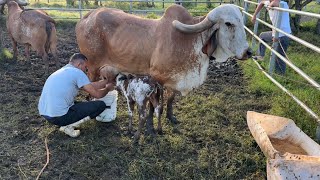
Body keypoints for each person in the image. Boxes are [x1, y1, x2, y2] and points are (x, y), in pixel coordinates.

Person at [38, 53, 115, 137]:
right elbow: (97, 95)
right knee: (100, 105)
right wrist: (107, 89)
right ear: (79, 64)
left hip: (46, 114)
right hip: (59, 117)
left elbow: (90, 85)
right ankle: (68, 126)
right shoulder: (78, 73)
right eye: (85, 67)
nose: (86, 70)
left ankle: (65, 122)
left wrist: (105, 82)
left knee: (82, 104)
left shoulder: (62, 71)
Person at [252, 0, 291, 75]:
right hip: (275, 33)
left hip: (283, 35)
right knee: (262, 36)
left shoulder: (283, 4)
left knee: (279, 56)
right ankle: (261, 56)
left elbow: (275, 3)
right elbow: (261, 3)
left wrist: (271, 4)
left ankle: (280, 75)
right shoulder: (269, 2)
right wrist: (254, 15)